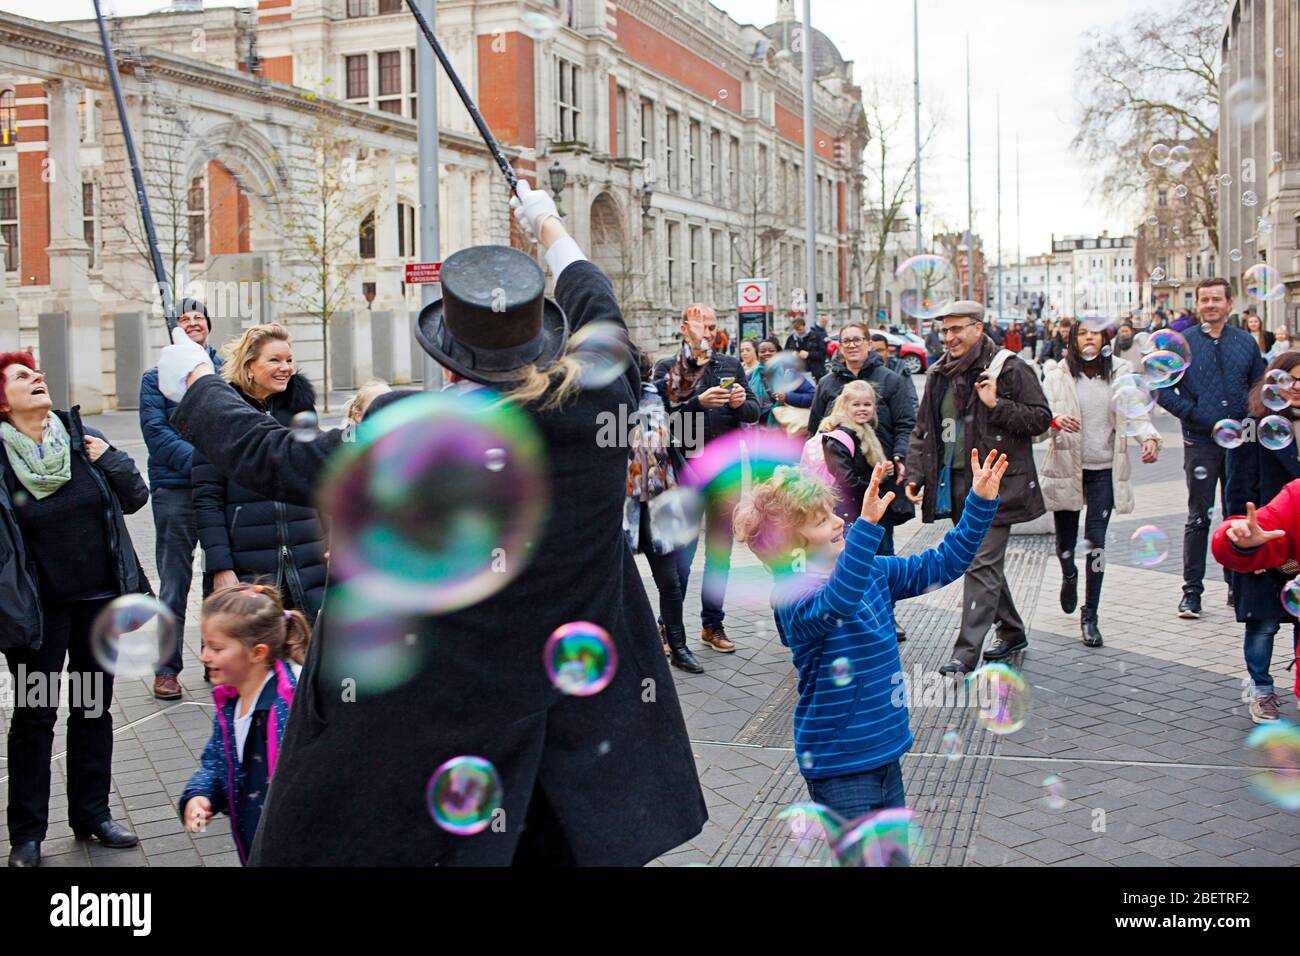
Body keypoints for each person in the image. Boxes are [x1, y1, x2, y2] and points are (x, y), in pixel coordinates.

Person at [153, 181, 708, 865]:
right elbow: (599, 301)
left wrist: (197, 383)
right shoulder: (599, 398)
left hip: (437, 747)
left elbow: (269, 456)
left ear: (449, 353)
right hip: (576, 752)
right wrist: (549, 225)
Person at [733, 452, 1006, 823]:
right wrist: (867, 527)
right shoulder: (791, 596)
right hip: (839, 764)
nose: (836, 522)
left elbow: (941, 564)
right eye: (820, 521)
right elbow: (838, 601)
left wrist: (980, 502)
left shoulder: (873, 571)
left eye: (832, 513)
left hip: (884, 749)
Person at [1, 352, 149, 867]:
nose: (37, 378)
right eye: (22, 377)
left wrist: (111, 456)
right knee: (36, 717)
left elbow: (134, 498)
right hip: (41, 617)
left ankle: (92, 815)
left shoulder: (81, 443)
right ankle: (27, 834)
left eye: (37, 372)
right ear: (2, 402)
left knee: (91, 709)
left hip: (96, 606)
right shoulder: (1, 461)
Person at [903, 301, 1053, 676]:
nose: (949, 337)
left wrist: (996, 404)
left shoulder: (1011, 367)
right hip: (953, 484)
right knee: (980, 561)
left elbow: (1040, 420)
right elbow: (925, 430)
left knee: (980, 562)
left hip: (995, 483)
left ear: (978, 327)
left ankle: (965, 654)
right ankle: (1013, 630)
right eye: (945, 330)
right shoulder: (939, 373)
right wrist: (915, 474)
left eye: (957, 329)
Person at [192, 325, 329, 624]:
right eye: (275, 360)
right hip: (248, 562)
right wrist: (220, 567)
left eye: (289, 360)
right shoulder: (220, 416)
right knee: (254, 652)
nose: (286, 368)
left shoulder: (299, 410)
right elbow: (207, 499)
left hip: (308, 557)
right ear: (250, 367)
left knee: (308, 654)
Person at [1038, 321, 1160, 647]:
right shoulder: (1057, 375)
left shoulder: (1120, 372)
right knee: (1065, 543)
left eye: (1095, 332)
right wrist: (1053, 421)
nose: (1089, 337)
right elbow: (1039, 419)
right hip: (1067, 466)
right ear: (1073, 339)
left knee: (1097, 544)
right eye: (1082, 332)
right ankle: (1068, 575)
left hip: (1104, 468)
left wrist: (1148, 437)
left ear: (1104, 338)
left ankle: (1090, 613)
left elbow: (1135, 412)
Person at [1155, 277, 1266, 619]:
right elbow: (1163, 391)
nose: (1210, 305)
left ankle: (1236, 586)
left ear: (1229, 305)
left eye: (1217, 299)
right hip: (1200, 442)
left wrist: (1246, 417)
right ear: (1198, 305)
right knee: (1198, 517)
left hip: (1240, 444)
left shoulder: (1245, 342)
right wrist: (1198, 416)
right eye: (1205, 300)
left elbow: (1260, 385)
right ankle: (1191, 593)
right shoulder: (1183, 343)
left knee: (1236, 515)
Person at [653, 304, 760, 653]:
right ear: (686, 328)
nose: (709, 333)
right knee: (682, 553)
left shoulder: (729, 365)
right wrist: (697, 402)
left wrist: (741, 403)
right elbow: (660, 418)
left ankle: (712, 624)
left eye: (713, 327)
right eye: (703, 327)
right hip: (688, 471)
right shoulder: (669, 368)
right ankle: (668, 628)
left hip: (726, 473)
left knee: (720, 553)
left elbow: (755, 411)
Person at [180, 584, 309, 864]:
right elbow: (217, 761)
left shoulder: (291, 704)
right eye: (205, 645)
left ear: (258, 653)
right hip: (254, 841)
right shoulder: (231, 701)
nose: (204, 656)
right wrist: (201, 795)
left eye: (216, 648)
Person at [140, 299, 224, 700]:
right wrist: (205, 463)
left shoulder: (227, 372)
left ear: (209, 326)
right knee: (174, 582)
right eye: (184, 319)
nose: (193, 323)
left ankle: (216, 660)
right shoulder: (154, 379)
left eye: (199, 318)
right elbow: (156, 434)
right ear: (172, 330)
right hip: (175, 490)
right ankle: (166, 670)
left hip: (221, 492)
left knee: (220, 578)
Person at [1215, 353, 1300, 722]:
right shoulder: (1255, 426)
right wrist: (1243, 534)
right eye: (1289, 379)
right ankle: (1261, 688)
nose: (1296, 387)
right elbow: (1238, 487)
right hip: (1265, 535)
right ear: (1273, 383)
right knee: (1263, 622)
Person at [814, 380, 915, 640]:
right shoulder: (839, 436)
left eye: (867, 404)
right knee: (859, 568)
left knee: (879, 565)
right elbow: (846, 480)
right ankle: (862, 623)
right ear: (844, 405)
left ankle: (883, 618)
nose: (862, 409)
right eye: (856, 404)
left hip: (872, 514)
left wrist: (882, 473)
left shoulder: (867, 431)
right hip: (855, 514)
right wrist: (876, 483)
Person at [624, 348, 703, 674]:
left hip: (660, 502)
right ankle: (625, 651)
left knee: (669, 582)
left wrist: (695, 346)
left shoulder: (657, 395)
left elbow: (685, 381)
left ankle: (678, 646)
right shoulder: (601, 403)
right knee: (615, 584)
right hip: (622, 507)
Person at [806, 322, 916, 488]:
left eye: (857, 340)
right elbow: (815, 428)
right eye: (846, 341)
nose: (852, 345)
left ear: (869, 343)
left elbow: (905, 424)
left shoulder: (891, 380)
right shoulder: (827, 383)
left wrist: (900, 455)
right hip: (841, 480)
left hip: (883, 475)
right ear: (841, 347)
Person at [785, 315, 826, 381]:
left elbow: (822, 354)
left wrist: (809, 354)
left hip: (813, 372)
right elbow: (785, 354)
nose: (798, 332)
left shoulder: (815, 336)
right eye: (796, 330)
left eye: (800, 329)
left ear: (804, 326)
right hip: (797, 373)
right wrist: (791, 354)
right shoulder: (791, 338)